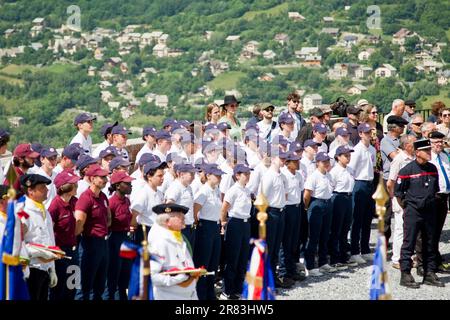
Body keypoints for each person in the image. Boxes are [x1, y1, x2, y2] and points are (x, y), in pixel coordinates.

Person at [395, 139, 444, 288]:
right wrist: (409, 207)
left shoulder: (433, 168)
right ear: (417, 153)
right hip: (413, 212)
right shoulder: (407, 171)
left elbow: (434, 190)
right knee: (409, 243)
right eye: (426, 151)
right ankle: (406, 274)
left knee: (429, 243)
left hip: (429, 211)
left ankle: (429, 273)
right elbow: (398, 193)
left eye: (430, 150)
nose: (430, 153)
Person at [21, 174, 60, 300]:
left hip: (44, 268)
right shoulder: (23, 211)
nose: (47, 190)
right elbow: (17, 244)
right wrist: (39, 252)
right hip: (31, 269)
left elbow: (50, 240)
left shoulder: (44, 211)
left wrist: (52, 269)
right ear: (30, 190)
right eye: (42, 187)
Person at [74, 164, 111, 300]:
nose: (105, 180)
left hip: (103, 242)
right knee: (86, 283)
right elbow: (78, 225)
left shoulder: (103, 196)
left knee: (100, 284)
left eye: (106, 177)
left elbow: (108, 219)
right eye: (102, 177)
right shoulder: (85, 198)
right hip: (90, 243)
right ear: (92, 179)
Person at [149, 204, 200, 300]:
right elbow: (152, 276)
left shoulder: (178, 239)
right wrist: (180, 278)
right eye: (179, 216)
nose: (184, 218)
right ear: (167, 221)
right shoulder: (160, 242)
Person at [220, 164, 252, 300]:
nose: (248, 176)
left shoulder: (247, 190)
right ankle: (227, 290)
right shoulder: (233, 190)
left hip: (245, 224)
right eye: (245, 174)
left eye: (248, 174)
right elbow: (224, 209)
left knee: (243, 258)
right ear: (237, 175)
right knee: (232, 258)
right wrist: (223, 223)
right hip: (235, 223)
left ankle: (238, 289)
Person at [193, 163, 224, 300]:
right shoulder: (203, 191)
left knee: (213, 262)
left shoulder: (216, 190)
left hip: (215, 227)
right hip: (205, 226)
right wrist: (198, 223)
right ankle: (201, 294)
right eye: (216, 175)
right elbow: (195, 210)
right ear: (208, 176)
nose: (219, 178)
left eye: (220, 175)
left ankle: (210, 292)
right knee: (203, 262)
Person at [260, 149, 291, 287]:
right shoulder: (269, 176)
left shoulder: (282, 176)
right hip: (271, 213)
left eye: (285, 158)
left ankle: (272, 277)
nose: (283, 161)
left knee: (276, 247)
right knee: (270, 247)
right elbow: (263, 197)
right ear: (273, 159)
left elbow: (285, 195)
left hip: (281, 211)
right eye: (281, 158)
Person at [48, 170, 80, 300]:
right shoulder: (55, 207)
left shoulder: (75, 201)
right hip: (61, 252)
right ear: (65, 187)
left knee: (73, 285)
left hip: (74, 250)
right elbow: (50, 231)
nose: (77, 186)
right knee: (59, 289)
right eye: (73, 184)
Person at [348, 123, 376, 265]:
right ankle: (354, 251)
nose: (368, 135)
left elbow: (373, 166)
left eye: (369, 132)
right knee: (357, 219)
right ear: (360, 134)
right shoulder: (357, 150)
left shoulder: (371, 149)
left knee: (367, 218)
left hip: (369, 183)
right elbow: (351, 169)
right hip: (359, 182)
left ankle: (365, 248)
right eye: (365, 133)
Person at [303, 152, 336, 276]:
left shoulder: (329, 175)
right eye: (324, 161)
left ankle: (323, 262)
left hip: (327, 203)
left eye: (327, 161)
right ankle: (310, 265)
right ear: (318, 163)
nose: (326, 163)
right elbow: (307, 195)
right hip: (316, 203)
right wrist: (307, 208)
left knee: (325, 234)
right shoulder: (314, 176)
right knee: (313, 236)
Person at [386, 135, 416, 269]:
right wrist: (395, 198)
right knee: (400, 228)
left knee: (410, 228)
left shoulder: (414, 158)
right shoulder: (399, 159)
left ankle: (408, 256)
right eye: (413, 143)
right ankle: (397, 258)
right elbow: (390, 182)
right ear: (406, 146)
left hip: (412, 197)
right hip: (400, 198)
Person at [380, 115, 409, 244]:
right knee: (386, 214)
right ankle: (384, 243)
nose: (403, 128)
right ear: (394, 128)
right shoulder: (386, 141)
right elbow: (396, 156)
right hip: (388, 179)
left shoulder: (400, 140)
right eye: (401, 126)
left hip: (401, 179)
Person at [106, 171, 134, 300]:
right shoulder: (111, 203)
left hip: (126, 239)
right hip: (115, 239)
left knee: (126, 273)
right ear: (118, 185)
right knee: (115, 274)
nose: (130, 186)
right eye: (127, 183)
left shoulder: (126, 201)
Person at [279, 152, 305, 282]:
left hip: (296, 207)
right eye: (294, 161)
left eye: (298, 160)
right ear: (287, 163)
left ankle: (291, 269)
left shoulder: (298, 175)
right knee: (286, 241)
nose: (298, 162)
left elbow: (301, 191)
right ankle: (283, 272)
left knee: (294, 241)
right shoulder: (283, 175)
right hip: (287, 208)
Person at [329, 146, 356, 269]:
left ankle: (344, 256)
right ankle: (335, 258)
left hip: (348, 197)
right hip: (338, 196)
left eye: (349, 155)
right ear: (338, 157)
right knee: (336, 229)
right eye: (345, 156)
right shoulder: (335, 171)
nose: (348, 158)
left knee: (346, 228)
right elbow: (331, 187)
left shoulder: (350, 169)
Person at [427, 131, 450, 272]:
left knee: (437, 231)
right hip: (432, 197)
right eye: (436, 142)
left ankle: (435, 258)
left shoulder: (445, 156)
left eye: (441, 142)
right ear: (430, 142)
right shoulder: (429, 158)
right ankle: (429, 261)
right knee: (429, 231)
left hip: (443, 197)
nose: (439, 145)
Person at [130, 160, 166, 244]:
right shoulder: (144, 194)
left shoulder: (160, 193)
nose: (162, 178)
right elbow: (134, 214)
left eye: (163, 175)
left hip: (157, 231)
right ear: (149, 177)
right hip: (145, 232)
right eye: (159, 176)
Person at [165, 162, 196, 247]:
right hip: (180, 228)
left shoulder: (189, 187)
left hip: (189, 227)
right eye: (191, 174)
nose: (193, 177)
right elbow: (168, 205)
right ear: (181, 174)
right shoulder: (175, 187)